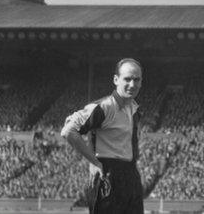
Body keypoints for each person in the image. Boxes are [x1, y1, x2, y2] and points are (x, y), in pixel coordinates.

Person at [61, 58, 144, 214]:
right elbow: (68, 131)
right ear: (115, 80)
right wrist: (94, 161)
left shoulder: (135, 109)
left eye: (136, 79)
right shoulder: (104, 107)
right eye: (127, 79)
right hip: (109, 177)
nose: (132, 84)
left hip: (131, 176)